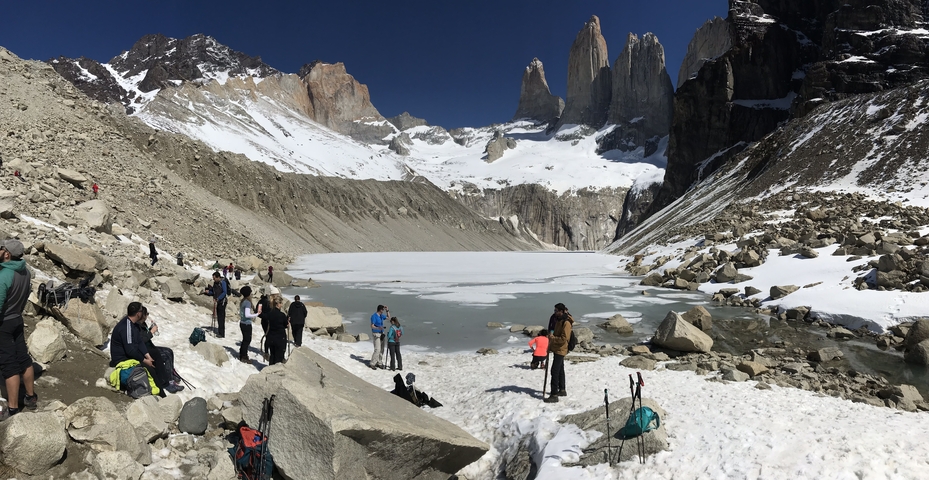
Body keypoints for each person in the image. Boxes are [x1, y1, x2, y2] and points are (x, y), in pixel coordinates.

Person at [0, 239, 37, 417]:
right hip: (17, 319)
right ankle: (30, 397)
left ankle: (13, 408)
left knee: (9, 365)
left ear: (7, 254)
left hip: (4, 323)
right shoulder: (26, 272)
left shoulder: (4, 275)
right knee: (23, 358)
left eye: (1, 249)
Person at [110, 302, 162, 388]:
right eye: (142, 311)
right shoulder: (126, 327)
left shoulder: (132, 324)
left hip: (129, 353)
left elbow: (139, 342)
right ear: (138, 314)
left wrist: (148, 356)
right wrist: (145, 361)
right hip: (122, 359)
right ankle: (161, 394)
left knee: (155, 354)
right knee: (149, 369)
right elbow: (130, 350)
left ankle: (163, 383)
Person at [139, 307, 183, 393]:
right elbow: (141, 340)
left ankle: (170, 374)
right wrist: (151, 332)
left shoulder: (143, 324)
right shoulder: (136, 326)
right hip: (145, 351)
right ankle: (168, 382)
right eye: (146, 314)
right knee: (166, 356)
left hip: (150, 348)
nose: (147, 316)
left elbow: (146, 335)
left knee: (169, 351)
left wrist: (151, 329)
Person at [544, 303, 574, 403]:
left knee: (555, 370)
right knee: (560, 369)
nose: (555, 312)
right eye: (554, 310)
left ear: (561, 311)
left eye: (556, 311)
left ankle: (554, 394)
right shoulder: (559, 320)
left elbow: (564, 338)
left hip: (561, 349)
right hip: (557, 348)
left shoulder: (566, 323)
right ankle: (562, 389)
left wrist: (552, 338)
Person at [238, 286, 261, 363]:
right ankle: (244, 356)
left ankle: (242, 354)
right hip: (246, 324)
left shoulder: (243, 301)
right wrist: (256, 314)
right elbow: (247, 314)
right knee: (247, 340)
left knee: (245, 340)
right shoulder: (247, 302)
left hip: (242, 322)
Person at [264, 294, 288, 365]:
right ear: (277, 304)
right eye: (281, 303)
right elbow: (285, 325)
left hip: (271, 337)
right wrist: (288, 323)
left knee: (273, 355)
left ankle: (270, 369)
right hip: (280, 338)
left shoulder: (269, 313)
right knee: (279, 356)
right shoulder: (282, 315)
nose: (281, 305)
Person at [369, 305, 388, 369]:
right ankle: (373, 363)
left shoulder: (381, 316)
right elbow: (372, 326)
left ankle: (379, 362)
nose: (383, 311)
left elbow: (388, 317)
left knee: (382, 349)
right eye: (383, 309)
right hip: (376, 334)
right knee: (377, 349)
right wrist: (378, 328)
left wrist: (387, 310)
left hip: (381, 333)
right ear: (380, 310)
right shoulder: (374, 316)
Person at [212, 272, 228, 338]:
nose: (214, 279)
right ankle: (220, 332)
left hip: (222, 302)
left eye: (214, 278)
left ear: (218, 277)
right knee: (219, 316)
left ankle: (221, 333)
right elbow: (214, 291)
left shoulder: (223, 282)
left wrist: (218, 298)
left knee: (221, 317)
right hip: (218, 301)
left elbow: (225, 292)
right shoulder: (216, 283)